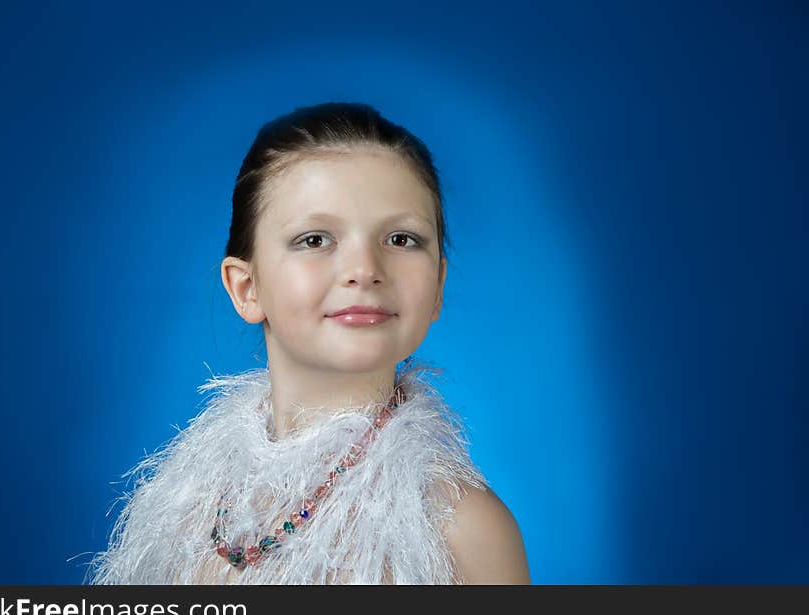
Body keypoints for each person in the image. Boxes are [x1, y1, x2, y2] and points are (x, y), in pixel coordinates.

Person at [87, 102, 530, 585]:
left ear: (439, 285)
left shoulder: (463, 530)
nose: (364, 269)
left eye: (401, 239)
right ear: (246, 288)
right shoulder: (181, 509)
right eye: (315, 239)